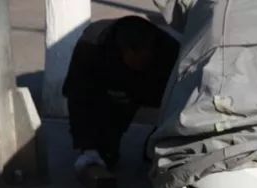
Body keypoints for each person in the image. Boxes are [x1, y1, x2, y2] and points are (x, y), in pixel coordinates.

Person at [62, 15, 179, 175]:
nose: (141, 64)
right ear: (125, 50)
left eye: (145, 59)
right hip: (108, 88)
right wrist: (87, 147)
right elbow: (77, 98)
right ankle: (100, 147)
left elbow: (181, 98)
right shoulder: (91, 48)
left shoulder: (169, 50)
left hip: (147, 88)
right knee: (106, 154)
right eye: (137, 60)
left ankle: (154, 143)